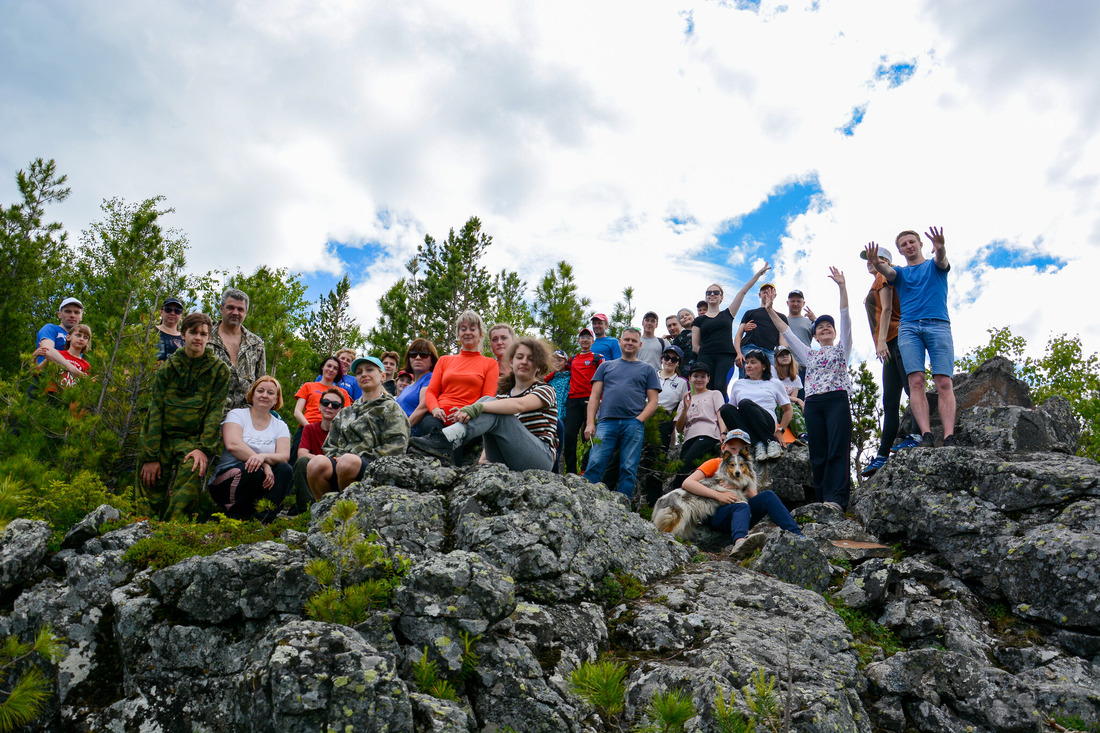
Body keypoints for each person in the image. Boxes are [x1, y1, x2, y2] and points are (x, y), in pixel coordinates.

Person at [763, 268, 852, 510]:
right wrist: (770, 310)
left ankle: (837, 499)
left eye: (828, 327)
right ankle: (823, 498)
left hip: (837, 401)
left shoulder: (842, 349)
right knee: (819, 453)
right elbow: (786, 332)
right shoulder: (808, 354)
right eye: (820, 326)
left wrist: (842, 287)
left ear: (833, 333)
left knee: (837, 449)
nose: (825, 328)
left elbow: (845, 318)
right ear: (814, 333)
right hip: (813, 403)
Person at [866, 228, 956, 449]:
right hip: (909, 329)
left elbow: (942, 260)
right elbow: (886, 272)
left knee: (944, 382)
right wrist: (876, 262)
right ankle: (925, 434)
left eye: (911, 242)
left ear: (921, 244)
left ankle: (949, 435)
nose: (908, 246)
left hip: (938, 325)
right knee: (916, 382)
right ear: (900, 250)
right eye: (904, 244)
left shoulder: (934, 265)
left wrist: (941, 246)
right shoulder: (900, 274)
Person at [411, 338, 558, 471]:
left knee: (492, 405)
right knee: (490, 401)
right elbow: (491, 418)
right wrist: (482, 458)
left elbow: (520, 404)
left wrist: (476, 407)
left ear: (539, 366)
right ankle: (447, 440)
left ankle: (446, 439)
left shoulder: (545, 389)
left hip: (539, 458)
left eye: (531, 359)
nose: (524, 361)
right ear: (512, 362)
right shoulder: (503, 394)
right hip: (508, 456)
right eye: (519, 357)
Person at [137, 312, 230, 520]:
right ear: (183, 335)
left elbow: (216, 411)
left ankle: (173, 530)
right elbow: (156, 411)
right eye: (193, 332)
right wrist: (150, 456)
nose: (198, 337)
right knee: (148, 476)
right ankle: (142, 526)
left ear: (209, 338)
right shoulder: (168, 368)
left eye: (203, 334)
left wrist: (203, 449)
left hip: (192, 441)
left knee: (193, 468)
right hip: (163, 439)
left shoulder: (219, 371)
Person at [681, 429, 803, 559]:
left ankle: (798, 536)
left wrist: (740, 485)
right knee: (742, 506)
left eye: (740, 450)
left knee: (768, 496)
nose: (736, 453)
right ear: (723, 447)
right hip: (715, 513)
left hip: (740, 514)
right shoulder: (715, 463)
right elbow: (687, 483)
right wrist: (718, 495)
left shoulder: (747, 470)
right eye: (732, 448)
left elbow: (754, 497)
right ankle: (740, 544)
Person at [305, 356, 410, 498]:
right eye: (359, 372)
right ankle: (329, 511)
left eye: (369, 370)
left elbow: (397, 446)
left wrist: (355, 458)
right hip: (341, 466)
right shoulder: (345, 412)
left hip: (376, 469)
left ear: (382, 376)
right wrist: (339, 457)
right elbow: (330, 445)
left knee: (348, 462)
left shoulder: (391, 408)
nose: (364, 374)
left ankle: (353, 513)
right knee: (315, 464)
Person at [583, 327, 660, 501]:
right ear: (620, 342)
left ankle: (622, 505)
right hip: (605, 422)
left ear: (640, 345)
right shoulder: (606, 366)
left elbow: (653, 402)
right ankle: (585, 500)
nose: (629, 343)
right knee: (595, 462)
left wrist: (638, 420)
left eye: (633, 341)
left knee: (628, 467)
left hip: (633, 423)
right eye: (626, 339)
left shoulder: (648, 369)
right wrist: (590, 423)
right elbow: (594, 396)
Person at [209, 376, 292, 522]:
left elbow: (284, 456)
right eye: (260, 391)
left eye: (270, 393)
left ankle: (263, 520)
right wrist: (264, 463)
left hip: (261, 480)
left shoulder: (280, 425)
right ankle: (236, 516)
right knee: (252, 468)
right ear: (252, 394)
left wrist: (262, 458)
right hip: (227, 481)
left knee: (285, 469)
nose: (265, 395)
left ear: (276, 399)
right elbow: (233, 445)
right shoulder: (237, 415)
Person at [419, 312, 499, 460]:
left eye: (472, 328)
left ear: (480, 334)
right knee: (430, 427)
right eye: (463, 329)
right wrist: (435, 409)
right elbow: (431, 392)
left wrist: (467, 412)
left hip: (468, 419)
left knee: (453, 436)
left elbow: (487, 398)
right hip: (437, 417)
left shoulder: (490, 364)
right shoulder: (444, 360)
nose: (467, 332)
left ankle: (449, 472)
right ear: (458, 334)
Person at [861, 247, 910, 475]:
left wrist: (881, 342)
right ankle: (882, 455)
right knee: (890, 402)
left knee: (909, 390)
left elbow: (887, 310)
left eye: (876, 259)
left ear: (886, 261)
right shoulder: (877, 281)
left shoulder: (883, 276)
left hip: (897, 338)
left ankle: (919, 434)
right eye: (868, 260)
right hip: (889, 344)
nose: (870, 262)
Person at [693, 263, 772, 394]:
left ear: (721, 297)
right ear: (706, 297)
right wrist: (708, 351)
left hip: (725, 356)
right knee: (705, 388)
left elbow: (743, 291)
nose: (712, 294)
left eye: (716, 292)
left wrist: (758, 274)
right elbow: (695, 346)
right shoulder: (699, 320)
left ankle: (721, 414)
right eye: (709, 293)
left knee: (719, 387)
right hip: (705, 357)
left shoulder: (728, 314)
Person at [720, 350, 792, 463]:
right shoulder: (739, 384)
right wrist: (724, 433)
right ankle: (757, 443)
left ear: (763, 366)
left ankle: (770, 441)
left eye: (753, 362)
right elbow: (731, 410)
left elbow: (788, 410)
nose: (748, 366)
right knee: (725, 408)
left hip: (766, 420)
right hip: (746, 424)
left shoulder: (774, 383)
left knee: (745, 404)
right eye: (747, 362)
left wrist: (780, 431)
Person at [209, 287, 266, 411]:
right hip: (210, 414)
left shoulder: (256, 344)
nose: (235, 312)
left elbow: (261, 383)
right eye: (230, 307)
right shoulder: (205, 337)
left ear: (245, 313)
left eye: (240, 309)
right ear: (221, 308)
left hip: (246, 416)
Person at [290, 386, 344, 513]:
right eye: (326, 403)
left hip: (337, 475)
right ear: (319, 406)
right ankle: (307, 511)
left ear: (341, 410)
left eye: (335, 405)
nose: (329, 406)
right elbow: (301, 453)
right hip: (314, 474)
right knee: (302, 462)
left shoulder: (345, 431)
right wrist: (323, 460)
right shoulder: (309, 429)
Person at [673, 362, 726, 486]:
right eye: (696, 376)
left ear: (708, 379)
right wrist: (685, 409)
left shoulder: (715, 394)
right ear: (690, 378)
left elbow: (720, 415)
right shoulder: (684, 400)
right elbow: (679, 428)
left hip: (708, 434)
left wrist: (723, 433)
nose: (699, 379)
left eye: (703, 376)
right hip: (689, 438)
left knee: (684, 468)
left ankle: (677, 491)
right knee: (681, 469)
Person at [562, 327, 604, 474]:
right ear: (579, 340)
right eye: (582, 337)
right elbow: (560, 371)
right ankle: (571, 471)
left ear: (592, 341)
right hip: (573, 400)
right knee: (568, 436)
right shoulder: (572, 359)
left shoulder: (598, 357)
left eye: (588, 337)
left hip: (590, 400)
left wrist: (601, 399)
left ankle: (586, 470)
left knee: (588, 436)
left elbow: (605, 379)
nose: (585, 340)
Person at [734, 282, 789, 378]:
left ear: (775, 296)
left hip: (769, 351)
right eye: (764, 292)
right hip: (748, 348)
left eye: (770, 292)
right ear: (759, 295)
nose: (767, 294)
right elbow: (738, 335)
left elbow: (783, 340)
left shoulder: (781, 317)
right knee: (746, 378)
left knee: (771, 380)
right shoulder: (750, 313)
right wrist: (738, 353)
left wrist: (781, 354)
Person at [395, 338, 440, 432]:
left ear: (432, 360)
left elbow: (423, 407)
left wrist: (400, 430)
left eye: (424, 355)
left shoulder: (430, 378)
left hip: (411, 433)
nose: (418, 357)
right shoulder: (408, 387)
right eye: (413, 354)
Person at [293, 356, 352, 428]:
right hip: (307, 427)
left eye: (335, 368)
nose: (331, 370)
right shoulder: (308, 386)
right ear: (322, 367)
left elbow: (346, 416)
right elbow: (297, 412)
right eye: (329, 366)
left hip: (330, 431)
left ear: (337, 372)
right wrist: (309, 428)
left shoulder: (342, 392)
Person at [34, 323, 91, 388]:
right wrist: (34, 357)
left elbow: (87, 387)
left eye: (85, 337)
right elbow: (36, 372)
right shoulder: (57, 355)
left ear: (87, 342)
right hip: (52, 393)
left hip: (70, 396)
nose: (81, 339)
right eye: (78, 335)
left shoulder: (86, 365)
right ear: (68, 337)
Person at [655, 345, 689, 448]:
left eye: (674, 359)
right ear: (662, 358)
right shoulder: (651, 375)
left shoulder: (682, 382)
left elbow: (685, 405)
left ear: (678, 363)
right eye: (666, 357)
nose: (669, 361)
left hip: (664, 417)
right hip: (644, 411)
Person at [35, 296, 83, 367]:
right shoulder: (50, 329)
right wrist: (73, 370)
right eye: (68, 311)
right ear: (59, 315)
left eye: (76, 312)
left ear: (81, 317)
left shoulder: (81, 338)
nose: (72, 315)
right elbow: (48, 351)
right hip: (49, 375)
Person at [773, 346, 807, 439]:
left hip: (787, 408)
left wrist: (796, 400)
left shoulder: (796, 378)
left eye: (787, 354)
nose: (785, 357)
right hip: (775, 406)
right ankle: (803, 434)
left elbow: (792, 401)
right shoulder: (773, 372)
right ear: (776, 359)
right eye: (781, 355)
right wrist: (799, 400)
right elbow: (776, 395)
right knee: (791, 406)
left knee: (798, 408)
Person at [155, 297, 185, 362]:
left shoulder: (185, 338)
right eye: (168, 309)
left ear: (181, 315)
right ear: (161, 312)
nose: (172, 313)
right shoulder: (150, 332)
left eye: (177, 311)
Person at [546, 350, 571, 424]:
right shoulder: (549, 379)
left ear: (566, 362)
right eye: (554, 361)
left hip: (566, 416)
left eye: (559, 360)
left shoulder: (570, 378)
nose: (556, 363)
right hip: (551, 416)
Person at [672, 309, 696, 375]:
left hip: (702, 367)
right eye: (682, 317)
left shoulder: (702, 331)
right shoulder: (678, 338)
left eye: (687, 315)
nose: (685, 317)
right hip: (685, 371)